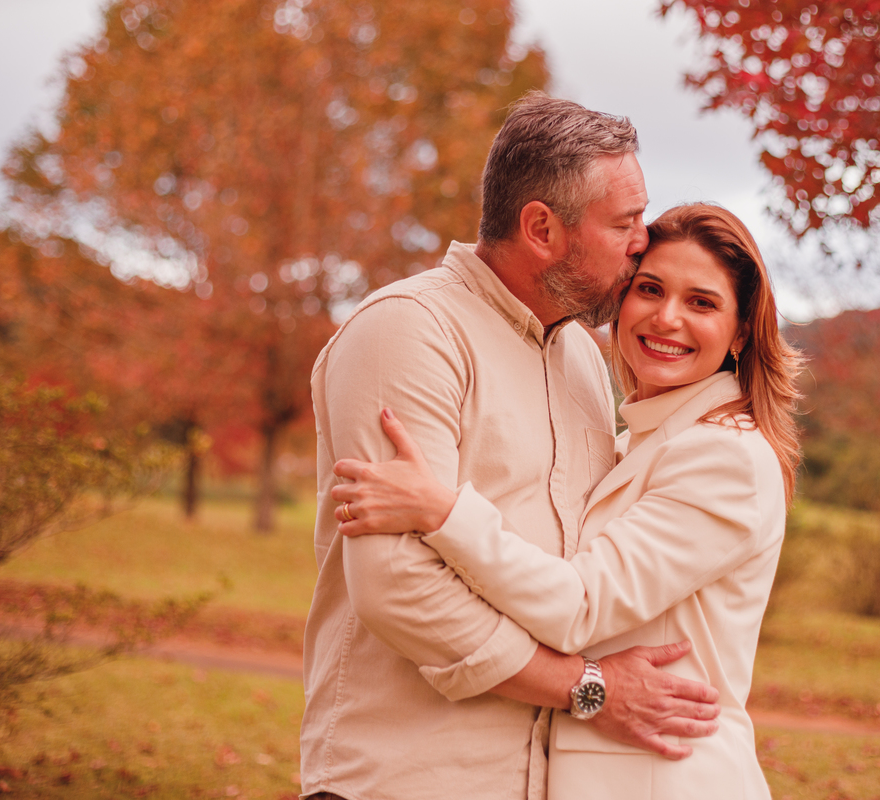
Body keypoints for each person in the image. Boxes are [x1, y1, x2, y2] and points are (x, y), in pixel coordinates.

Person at [300, 95, 724, 800]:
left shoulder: (586, 360)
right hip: (404, 780)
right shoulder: (409, 333)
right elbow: (397, 588)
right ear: (541, 228)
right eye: (623, 222)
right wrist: (589, 690)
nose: (641, 242)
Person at [334, 203, 804, 800]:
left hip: (666, 776)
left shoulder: (725, 457)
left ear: (741, 331)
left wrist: (443, 511)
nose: (667, 318)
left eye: (702, 303)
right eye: (650, 289)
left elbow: (579, 605)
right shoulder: (646, 440)